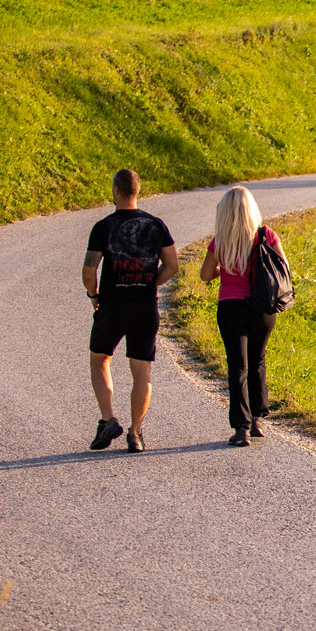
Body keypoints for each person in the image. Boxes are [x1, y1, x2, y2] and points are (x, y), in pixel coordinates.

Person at [84, 168, 179, 452]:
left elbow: (90, 271)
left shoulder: (104, 227)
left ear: (115, 190)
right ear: (138, 191)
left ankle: (108, 419)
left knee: (100, 360)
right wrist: (152, 283)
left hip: (112, 305)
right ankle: (135, 433)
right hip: (144, 306)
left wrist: (94, 295)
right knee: (142, 372)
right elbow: (172, 266)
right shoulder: (157, 225)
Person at [199, 186, 282, 447]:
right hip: (261, 306)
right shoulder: (266, 235)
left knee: (237, 366)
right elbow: (283, 267)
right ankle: (258, 419)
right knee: (258, 360)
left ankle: (240, 428)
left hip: (230, 305)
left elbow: (205, 274)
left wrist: (225, 270)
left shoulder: (220, 239)